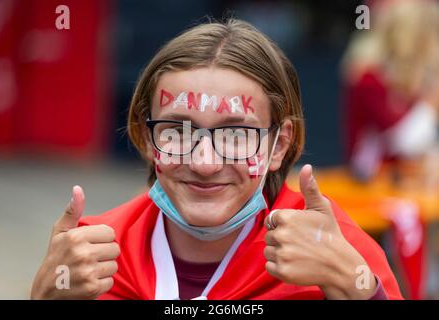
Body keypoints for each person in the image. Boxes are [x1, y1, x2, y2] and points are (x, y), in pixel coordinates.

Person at [31, 19, 402, 300]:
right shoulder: (90, 257)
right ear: (146, 137)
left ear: (278, 144)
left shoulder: (339, 252)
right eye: (178, 130)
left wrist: (362, 289)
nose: (205, 162)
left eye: (236, 134)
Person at [341, 0, 439, 180]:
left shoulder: (412, 77)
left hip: (407, 180)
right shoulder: (369, 79)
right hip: (372, 182)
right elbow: (406, 143)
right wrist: (431, 102)